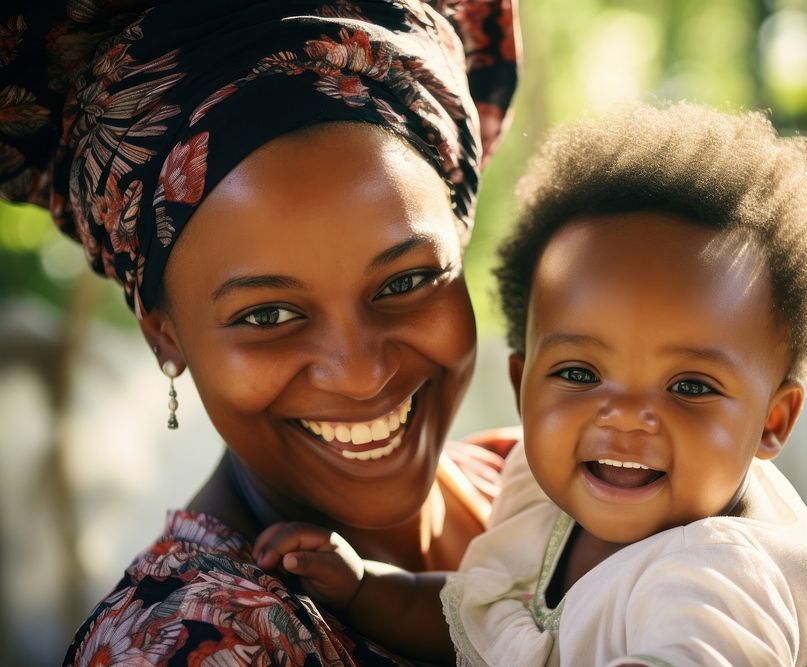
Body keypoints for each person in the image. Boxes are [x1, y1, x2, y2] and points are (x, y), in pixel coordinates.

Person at [253, 102, 807, 666]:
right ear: (524, 385)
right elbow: (482, 621)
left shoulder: (722, 580)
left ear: (773, 420)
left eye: (688, 386)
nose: (626, 417)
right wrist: (367, 588)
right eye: (580, 374)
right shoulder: (542, 491)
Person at [1, 1, 517, 664]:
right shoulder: (200, 644)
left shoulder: (554, 484)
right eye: (268, 315)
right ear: (166, 336)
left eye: (403, 282)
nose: (360, 370)